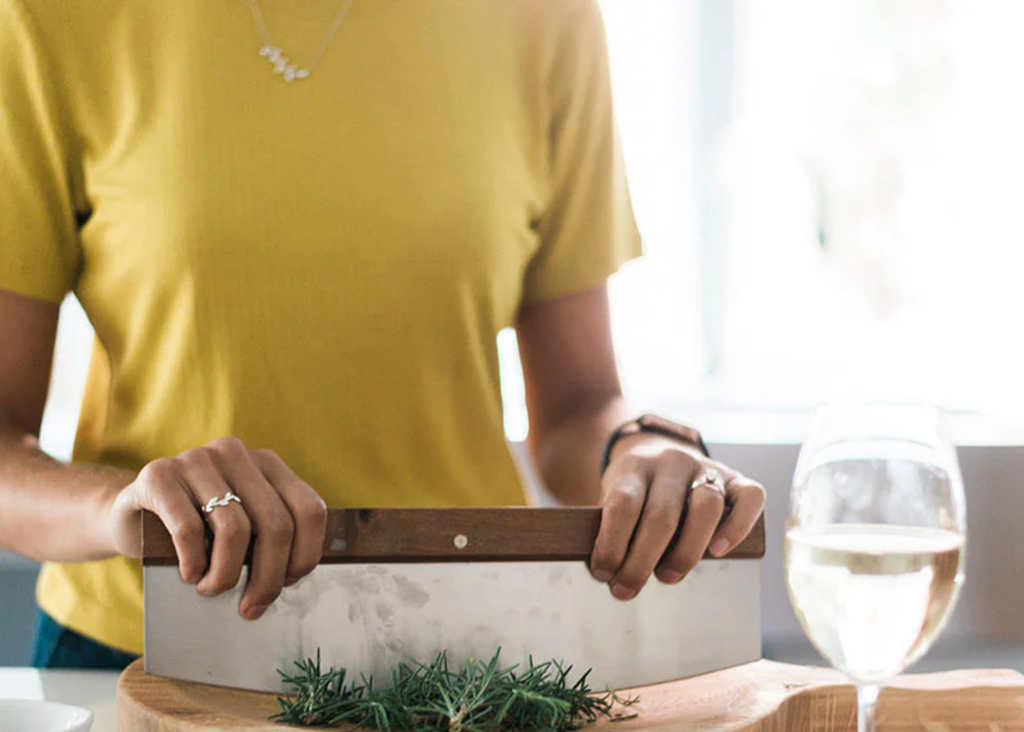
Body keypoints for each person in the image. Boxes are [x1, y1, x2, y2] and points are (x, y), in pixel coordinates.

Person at [0, 0, 765, 671]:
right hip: (140, 646)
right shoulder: (52, 15)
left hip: (458, 653)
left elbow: (574, 408)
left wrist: (636, 448)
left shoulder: (547, 16)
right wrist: (117, 507)